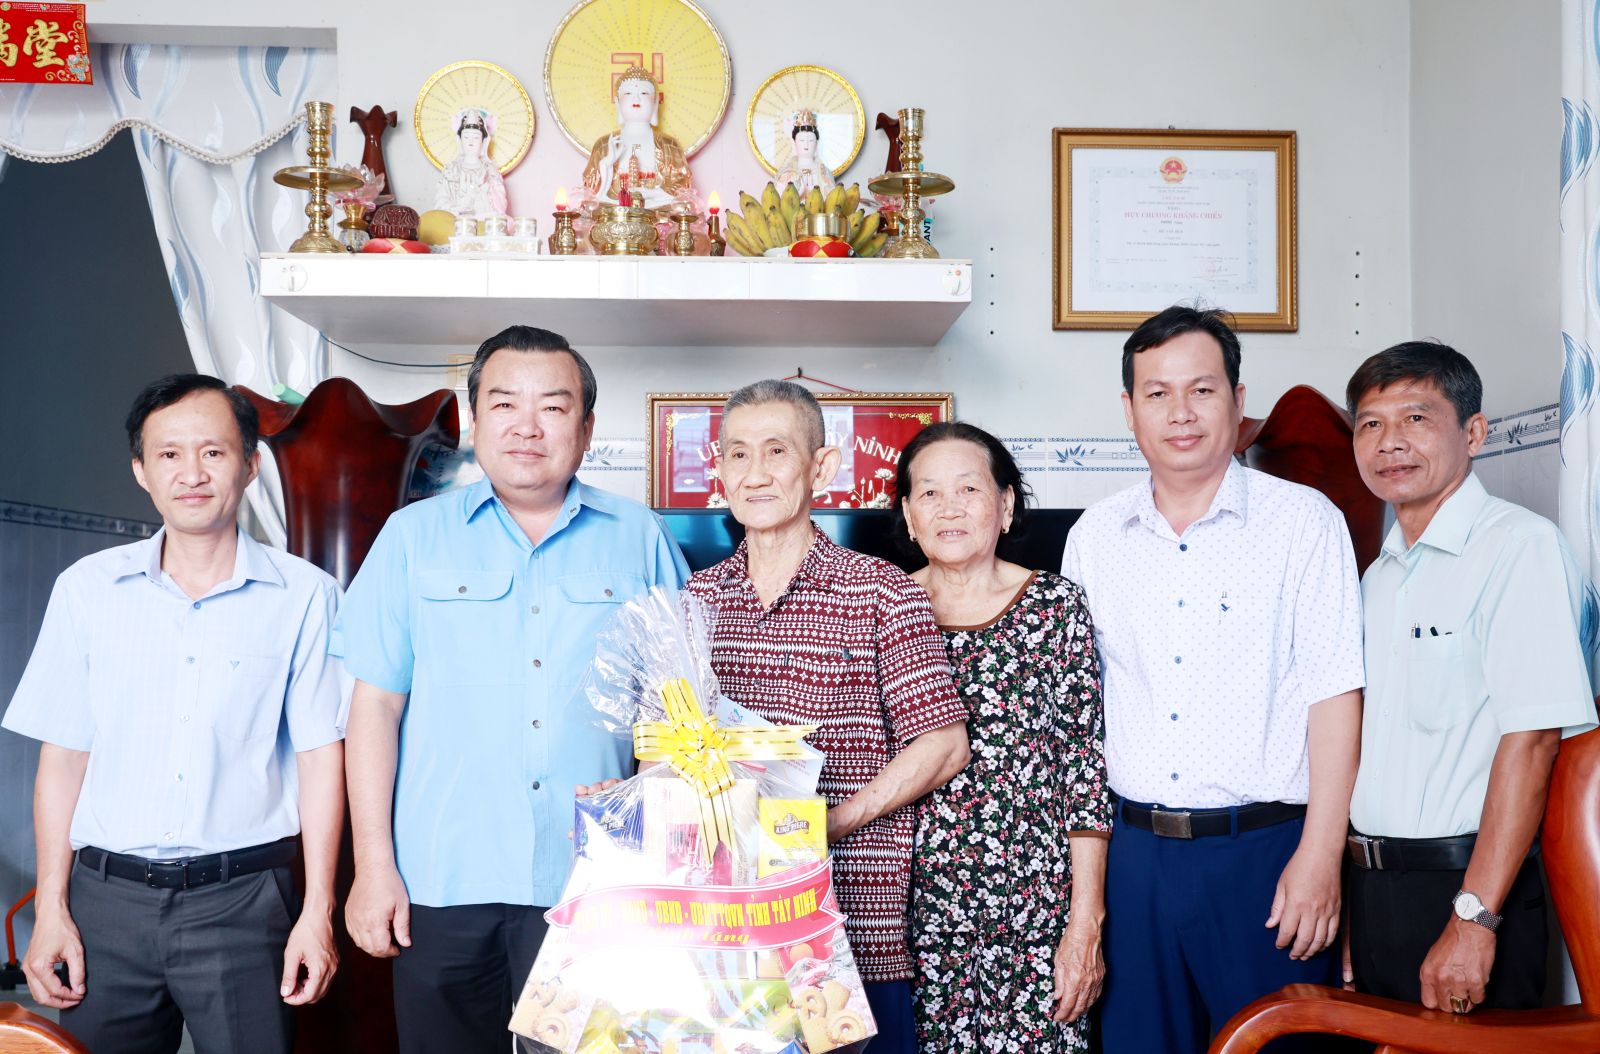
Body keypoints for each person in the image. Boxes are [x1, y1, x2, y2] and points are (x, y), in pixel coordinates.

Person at [335, 325, 689, 1053]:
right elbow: (375, 707)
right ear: (474, 420)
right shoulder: (411, 537)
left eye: (553, 407)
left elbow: (674, 714)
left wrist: (651, 854)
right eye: (505, 404)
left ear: (586, 427)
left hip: (593, 885)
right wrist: (372, 867)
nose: (528, 426)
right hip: (439, 881)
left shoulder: (640, 537)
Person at [3, 373, 346, 1054]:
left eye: (214, 452)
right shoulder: (87, 590)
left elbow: (320, 760)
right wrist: (53, 909)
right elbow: (63, 759)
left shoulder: (306, 595)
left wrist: (317, 912)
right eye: (169, 454)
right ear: (141, 470)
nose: (192, 473)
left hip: (244, 901)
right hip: (106, 906)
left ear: (250, 464)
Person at [1061, 305, 1365, 1053]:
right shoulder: (1095, 536)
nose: (1181, 412)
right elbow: (1079, 709)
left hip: (1266, 857)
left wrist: (1321, 856)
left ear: (1237, 398)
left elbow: (1335, 695)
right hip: (1136, 860)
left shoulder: (1304, 522)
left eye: (1202, 389)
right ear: (1129, 409)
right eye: (1157, 393)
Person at [682, 380, 970, 1053]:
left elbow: (944, 744)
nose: (756, 473)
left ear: (822, 467)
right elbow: (674, 747)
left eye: (777, 451)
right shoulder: (696, 597)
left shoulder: (882, 591)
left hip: (854, 925)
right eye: (739, 454)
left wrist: (826, 825)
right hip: (724, 930)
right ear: (719, 471)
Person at [1343, 341, 1596, 1014]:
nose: (1390, 442)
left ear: (1474, 432)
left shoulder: (1518, 547)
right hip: (1374, 890)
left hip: (1467, 890)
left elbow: (1533, 741)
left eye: (1416, 418)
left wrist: (1474, 919)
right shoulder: (1376, 577)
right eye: (1371, 424)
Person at [898, 422, 1111, 1053]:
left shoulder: (1056, 607)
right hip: (912, 914)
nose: (949, 507)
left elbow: (1084, 775)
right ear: (909, 515)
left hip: (1035, 910)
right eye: (929, 493)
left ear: (1006, 503)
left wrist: (1085, 922)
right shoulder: (886, 609)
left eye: (969, 488)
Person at [581, 65, 694, 209]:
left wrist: (650, 194)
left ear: (655, 102)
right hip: (615, 213)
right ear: (617, 102)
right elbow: (591, 192)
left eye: (644, 93)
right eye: (628, 93)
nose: (636, 98)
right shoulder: (605, 144)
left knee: (682, 207)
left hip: (657, 211)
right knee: (590, 207)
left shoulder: (669, 144)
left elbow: (682, 188)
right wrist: (607, 163)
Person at [433, 107, 509, 224]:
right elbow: (440, 202)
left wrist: (481, 192)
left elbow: (500, 207)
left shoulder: (490, 171)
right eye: (466, 137)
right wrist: (459, 208)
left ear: (484, 141)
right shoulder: (451, 170)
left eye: (476, 137)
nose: (471, 142)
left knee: (504, 222)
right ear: (460, 140)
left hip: (484, 221)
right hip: (455, 221)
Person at [775, 108, 836, 198]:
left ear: (816, 143)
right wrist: (797, 193)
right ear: (795, 142)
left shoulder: (824, 172)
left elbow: (833, 199)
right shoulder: (787, 172)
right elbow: (779, 198)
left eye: (811, 140)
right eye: (802, 140)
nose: (806, 144)